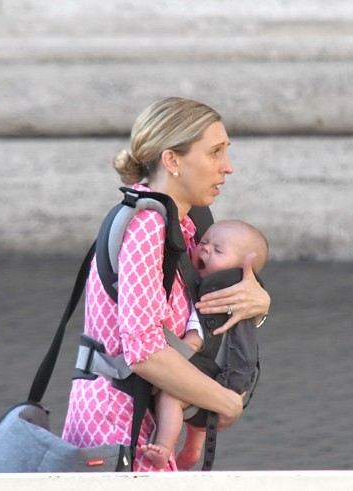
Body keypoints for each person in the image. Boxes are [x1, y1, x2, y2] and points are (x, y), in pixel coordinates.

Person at [61, 97, 271, 472]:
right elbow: (144, 351)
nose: (228, 167)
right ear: (172, 160)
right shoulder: (147, 228)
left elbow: (205, 303)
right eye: (215, 153)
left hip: (143, 422)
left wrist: (257, 303)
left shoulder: (188, 226)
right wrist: (225, 402)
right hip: (117, 427)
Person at [141, 219, 269, 470]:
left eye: (218, 250)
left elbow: (202, 326)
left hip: (216, 373)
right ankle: (194, 447)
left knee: (171, 394)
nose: (206, 249)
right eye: (204, 242)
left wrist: (189, 342)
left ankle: (164, 446)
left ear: (245, 267)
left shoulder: (218, 291)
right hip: (232, 376)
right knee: (196, 396)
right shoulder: (244, 294)